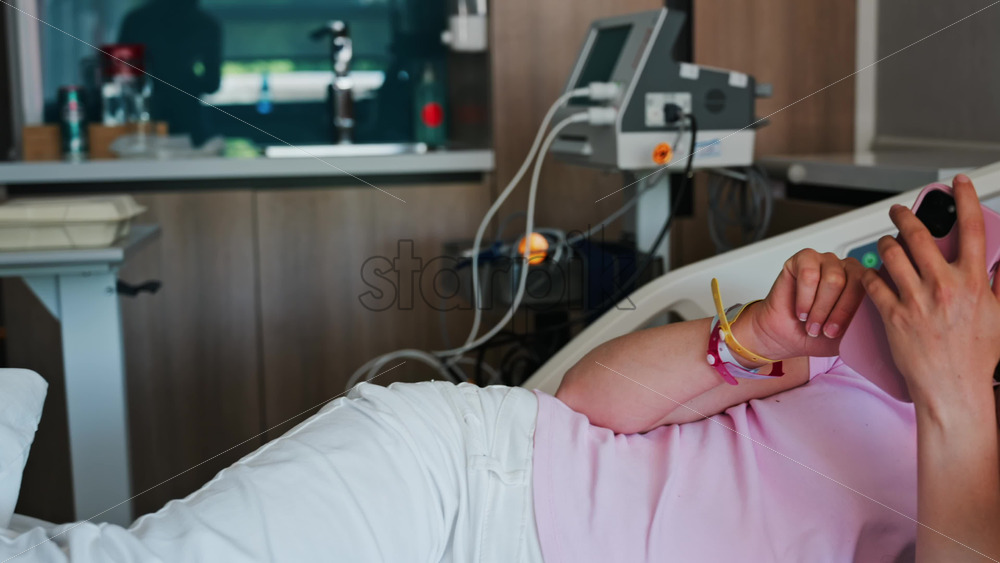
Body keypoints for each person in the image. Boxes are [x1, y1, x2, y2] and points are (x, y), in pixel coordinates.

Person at [1, 176, 996, 562]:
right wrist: (752, 339)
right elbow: (582, 402)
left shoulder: (966, 457)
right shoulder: (866, 323)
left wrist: (954, 394)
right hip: (466, 479)